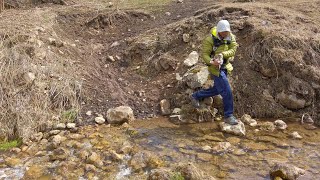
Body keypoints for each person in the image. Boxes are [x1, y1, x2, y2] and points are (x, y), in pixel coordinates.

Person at [190, 20, 239, 125]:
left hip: (225, 66)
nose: (226, 34)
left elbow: (233, 49)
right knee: (227, 91)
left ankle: (196, 96)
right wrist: (212, 62)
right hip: (215, 69)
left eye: (227, 31)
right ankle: (228, 115)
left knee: (218, 89)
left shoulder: (231, 37)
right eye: (224, 32)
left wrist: (223, 54)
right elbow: (205, 55)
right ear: (219, 31)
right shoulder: (210, 40)